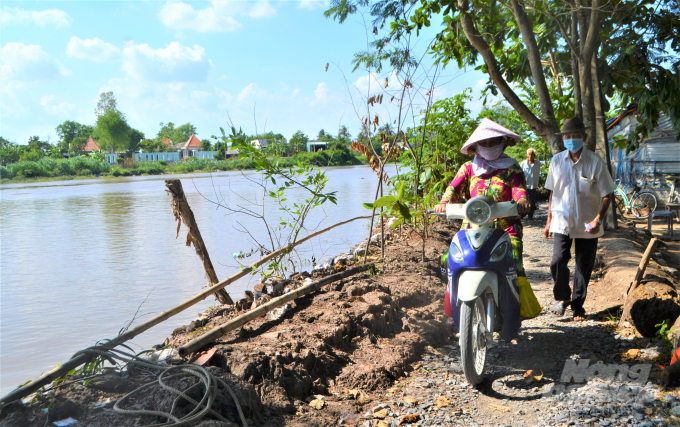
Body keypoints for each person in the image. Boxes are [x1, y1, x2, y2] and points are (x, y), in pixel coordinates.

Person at [434, 118, 541, 320]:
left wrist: (522, 201)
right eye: (485, 143)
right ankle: (452, 306)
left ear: (503, 142)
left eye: (494, 142)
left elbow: (519, 191)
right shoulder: (467, 169)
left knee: (514, 259)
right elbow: (452, 190)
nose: (489, 146)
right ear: (475, 147)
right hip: (471, 227)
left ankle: (516, 308)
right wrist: (444, 202)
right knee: (450, 259)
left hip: (506, 228)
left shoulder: (512, 168)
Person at [544, 117, 616, 321]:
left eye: (575, 136)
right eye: (567, 136)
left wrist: (598, 219)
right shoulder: (556, 161)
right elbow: (552, 193)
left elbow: (606, 194)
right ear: (563, 139)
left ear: (583, 137)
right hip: (561, 221)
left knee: (584, 266)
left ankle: (577, 306)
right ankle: (562, 298)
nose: (571, 139)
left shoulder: (595, 162)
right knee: (557, 261)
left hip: (588, 223)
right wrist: (548, 221)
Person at [520, 148, 541, 219]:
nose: (530, 156)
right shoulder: (523, 163)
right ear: (527, 155)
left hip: (534, 185)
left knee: (532, 201)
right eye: (529, 154)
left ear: (534, 155)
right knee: (523, 200)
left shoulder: (537, 163)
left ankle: (530, 216)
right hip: (525, 185)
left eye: (532, 154)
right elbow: (520, 174)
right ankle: (522, 215)